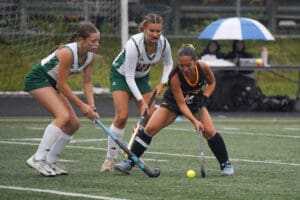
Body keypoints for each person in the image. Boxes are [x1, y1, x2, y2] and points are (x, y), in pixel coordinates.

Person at [114, 44, 234, 176]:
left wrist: (205, 97)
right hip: (174, 102)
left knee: (210, 131)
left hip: (195, 101)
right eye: (182, 65)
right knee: (150, 128)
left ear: (195, 61)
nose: (185, 69)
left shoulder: (203, 67)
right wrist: (195, 121)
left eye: (189, 65)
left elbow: (211, 83)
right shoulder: (175, 76)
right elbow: (181, 105)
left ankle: (225, 164)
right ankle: (130, 162)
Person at [24, 23, 100, 177]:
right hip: (38, 79)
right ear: (81, 40)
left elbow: (87, 83)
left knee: (73, 124)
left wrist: (91, 106)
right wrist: (81, 106)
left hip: (52, 83)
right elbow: (62, 84)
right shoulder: (67, 53)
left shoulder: (90, 57)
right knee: (63, 116)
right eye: (93, 41)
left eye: (98, 41)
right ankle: (37, 159)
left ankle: (50, 161)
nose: (97, 44)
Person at [100, 13, 173, 173]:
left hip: (141, 78)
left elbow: (169, 64)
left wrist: (163, 82)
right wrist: (140, 101)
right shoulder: (134, 44)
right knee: (121, 117)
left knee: (150, 115)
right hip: (121, 76)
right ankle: (110, 158)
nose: (155, 34)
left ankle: (132, 150)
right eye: (151, 31)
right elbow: (129, 76)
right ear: (144, 29)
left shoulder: (163, 43)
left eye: (158, 31)